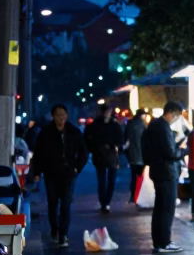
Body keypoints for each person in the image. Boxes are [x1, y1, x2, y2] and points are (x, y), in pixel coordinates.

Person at [27, 103, 89, 247]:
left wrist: (77, 168)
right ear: (53, 117)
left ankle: (63, 234)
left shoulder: (73, 131)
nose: (61, 118)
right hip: (51, 173)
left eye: (63, 115)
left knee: (66, 204)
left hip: (68, 173)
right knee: (53, 203)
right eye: (58, 115)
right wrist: (37, 172)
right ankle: (54, 230)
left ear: (66, 116)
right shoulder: (46, 132)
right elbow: (38, 153)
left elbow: (83, 152)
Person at [142, 100, 188, 253]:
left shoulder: (154, 125)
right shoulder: (163, 127)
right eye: (177, 116)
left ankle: (159, 242)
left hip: (157, 170)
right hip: (166, 172)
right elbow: (171, 153)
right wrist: (184, 150)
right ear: (171, 113)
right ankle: (164, 242)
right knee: (167, 208)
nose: (177, 119)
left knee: (160, 208)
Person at [85, 104, 125, 213]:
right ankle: (104, 203)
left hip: (108, 154)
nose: (107, 114)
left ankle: (106, 202)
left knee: (109, 181)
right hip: (102, 154)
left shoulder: (111, 125)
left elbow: (120, 139)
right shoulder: (99, 125)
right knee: (103, 181)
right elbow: (88, 139)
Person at [125, 109, 148, 203]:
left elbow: (127, 141)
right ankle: (137, 195)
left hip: (133, 155)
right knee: (140, 176)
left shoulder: (130, 124)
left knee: (134, 176)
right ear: (142, 115)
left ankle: (133, 196)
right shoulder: (143, 126)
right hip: (141, 155)